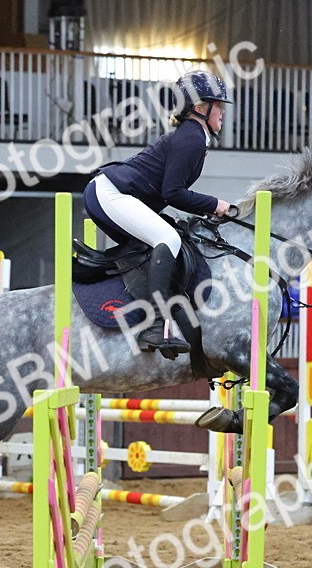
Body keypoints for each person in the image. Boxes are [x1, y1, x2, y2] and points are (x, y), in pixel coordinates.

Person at [83, 70, 233, 358]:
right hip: (112, 194)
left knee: (164, 240)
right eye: (219, 105)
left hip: (113, 193)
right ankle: (153, 325)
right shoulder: (191, 138)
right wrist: (215, 204)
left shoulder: (194, 137)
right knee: (168, 239)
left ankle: (139, 310)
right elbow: (172, 193)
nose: (223, 112)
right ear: (200, 108)